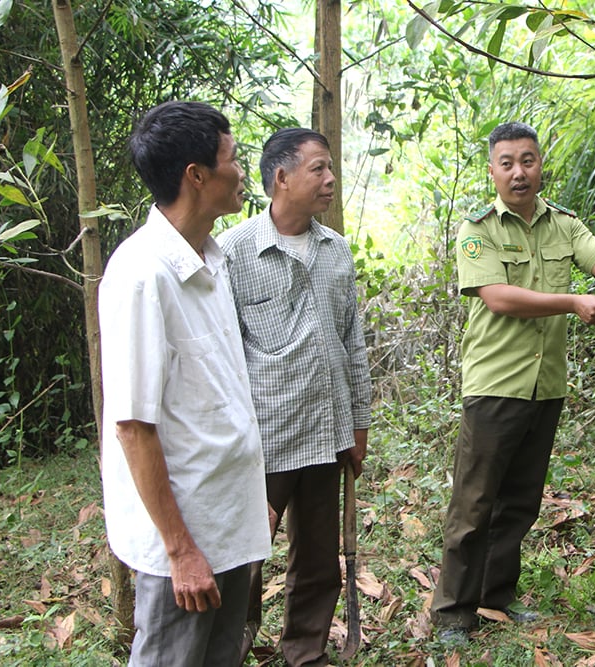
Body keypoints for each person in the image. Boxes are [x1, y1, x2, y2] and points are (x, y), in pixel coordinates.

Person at [430, 121, 595, 644]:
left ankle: (496, 597)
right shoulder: (478, 229)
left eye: (527, 160)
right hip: (495, 383)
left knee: (521, 501)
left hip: (545, 383)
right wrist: (572, 302)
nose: (518, 172)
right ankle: (452, 613)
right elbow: (499, 297)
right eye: (506, 163)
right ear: (492, 171)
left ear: (540, 164)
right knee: (475, 501)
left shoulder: (564, 224)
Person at [98, 100, 273, 665]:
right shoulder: (143, 274)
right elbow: (132, 425)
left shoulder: (211, 260)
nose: (242, 170)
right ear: (196, 175)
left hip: (224, 518)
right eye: (233, 157)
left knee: (222, 655)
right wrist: (180, 551)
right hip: (185, 536)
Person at [219, 127, 372, 667]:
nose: (330, 180)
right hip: (263, 436)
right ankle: (228, 647)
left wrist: (359, 421)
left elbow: (353, 338)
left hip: (326, 430)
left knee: (317, 559)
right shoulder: (234, 252)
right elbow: (223, 352)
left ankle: (303, 653)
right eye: (318, 169)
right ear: (280, 177)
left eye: (330, 168)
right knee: (244, 555)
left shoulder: (336, 250)